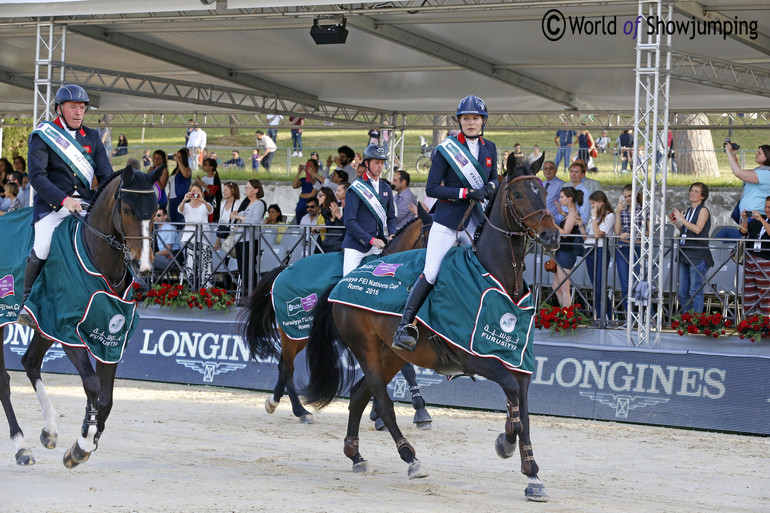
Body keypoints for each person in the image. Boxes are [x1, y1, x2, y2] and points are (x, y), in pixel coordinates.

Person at [393, 95, 498, 351]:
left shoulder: (490, 148)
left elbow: (494, 179)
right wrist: (466, 193)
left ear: (482, 121)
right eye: (466, 118)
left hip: (475, 220)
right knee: (431, 271)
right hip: (448, 220)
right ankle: (405, 326)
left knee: (483, 272)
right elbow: (432, 188)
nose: (471, 123)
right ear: (459, 120)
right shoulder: (445, 149)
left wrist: (490, 187)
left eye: (475, 118)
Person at [19, 84, 113, 323]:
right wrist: (63, 199)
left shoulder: (92, 137)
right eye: (73, 107)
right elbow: (37, 176)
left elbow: (105, 175)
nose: (79, 112)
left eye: (82, 108)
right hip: (53, 205)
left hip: (86, 203)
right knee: (43, 244)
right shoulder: (43, 135)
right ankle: (27, 304)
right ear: (60, 109)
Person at [341, 144, 397, 276]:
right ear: (366, 163)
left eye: (382, 163)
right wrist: (371, 240)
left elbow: (391, 216)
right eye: (377, 163)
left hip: (379, 244)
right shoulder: (356, 188)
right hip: (356, 245)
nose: (380, 167)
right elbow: (349, 222)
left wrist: (392, 234)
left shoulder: (386, 188)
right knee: (348, 281)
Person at [670, 183, 713, 314]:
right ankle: (686, 320)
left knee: (695, 290)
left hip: (698, 255)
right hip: (685, 253)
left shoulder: (703, 210)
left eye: (696, 191)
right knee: (682, 291)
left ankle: (697, 321)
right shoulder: (689, 210)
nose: (692, 193)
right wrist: (677, 223)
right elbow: (687, 231)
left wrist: (682, 219)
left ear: (703, 196)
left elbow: (698, 229)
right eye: (691, 190)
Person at [578, 191, 615, 321]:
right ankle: (600, 315)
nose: (592, 206)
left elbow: (598, 234)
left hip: (600, 250)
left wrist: (594, 218)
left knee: (600, 285)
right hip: (589, 250)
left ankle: (605, 316)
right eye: (591, 204)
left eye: (594, 204)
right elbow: (586, 237)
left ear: (601, 202)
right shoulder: (595, 215)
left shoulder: (609, 216)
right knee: (595, 286)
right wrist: (581, 225)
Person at [613, 185, 647, 314]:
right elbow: (617, 232)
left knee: (642, 283)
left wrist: (633, 234)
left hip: (638, 247)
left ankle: (646, 315)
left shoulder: (644, 209)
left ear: (636, 195)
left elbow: (649, 232)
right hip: (623, 247)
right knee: (625, 284)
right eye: (625, 196)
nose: (627, 199)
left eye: (630, 196)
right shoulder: (623, 211)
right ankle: (629, 316)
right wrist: (618, 213)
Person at [725, 142, 770, 230]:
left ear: (767, 156)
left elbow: (738, 173)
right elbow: (741, 172)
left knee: (726, 232)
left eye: (759, 153)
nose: (756, 154)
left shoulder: (766, 174)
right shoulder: (760, 172)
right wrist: (733, 156)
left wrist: (728, 153)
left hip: (755, 217)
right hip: (748, 216)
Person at [178, 181, 214, 288]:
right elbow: (180, 210)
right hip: (190, 239)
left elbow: (211, 211)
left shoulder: (205, 205)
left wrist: (203, 201)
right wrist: (184, 200)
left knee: (205, 265)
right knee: (190, 265)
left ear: (202, 193)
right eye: (193, 191)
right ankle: (192, 289)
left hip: (204, 239)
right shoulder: (186, 205)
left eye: (197, 191)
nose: (195, 193)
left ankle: (206, 289)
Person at [230, 180, 266, 290]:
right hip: (240, 239)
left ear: (256, 190)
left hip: (249, 239)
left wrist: (240, 217)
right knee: (242, 269)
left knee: (248, 268)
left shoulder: (259, 204)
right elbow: (235, 220)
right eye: (246, 188)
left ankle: (251, 292)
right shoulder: (246, 204)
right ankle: (245, 292)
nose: (246, 190)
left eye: (248, 188)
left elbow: (255, 221)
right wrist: (235, 216)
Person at [552, 187, 583, 307]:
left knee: (564, 287)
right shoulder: (569, 213)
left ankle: (567, 313)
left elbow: (565, 233)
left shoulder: (573, 214)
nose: (560, 199)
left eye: (562, 197)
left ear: (569, 199)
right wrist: (560, 212)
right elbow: (566, 218)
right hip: (562, 252)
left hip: (566, 252)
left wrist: (553, 224)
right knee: (556, 286)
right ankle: (562, 312)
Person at [741, 196, 770, 317]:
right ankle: (750, 322)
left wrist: (762, 220)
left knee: (765, 294)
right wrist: (744, 220)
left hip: (765, 261)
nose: (767, 210)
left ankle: (765, 323)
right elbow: (743, 231)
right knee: (749, 293)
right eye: (766, 207)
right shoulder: (760, 221)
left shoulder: (763, 221)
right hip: (751, 260)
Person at [213, 181, 242, 257]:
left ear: (232, 191)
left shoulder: (238, 203)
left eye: (226, 190)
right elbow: (220, 220)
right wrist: (218, 239)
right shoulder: (223, 203)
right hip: (224, 234)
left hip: (233, 236)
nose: (223, 192)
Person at [167, 147, 193, 224]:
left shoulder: (187, 169)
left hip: (181, 197)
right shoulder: (175, 170)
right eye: (176, 156)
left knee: (180, 221)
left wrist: (178, 161)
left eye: (179, 157)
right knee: (173, 221)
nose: (177, 158)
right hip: (172, 198)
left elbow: (185, 174)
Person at [153, 208, 181, 273]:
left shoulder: (169, 228)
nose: (156, 217)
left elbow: (167, 251)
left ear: (165, 217)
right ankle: (139, 281)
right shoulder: (159, 230)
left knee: (146, 258)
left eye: (159, 215)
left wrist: (153, 255)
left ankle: (141, 282)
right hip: (163, 258)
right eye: (155, 215)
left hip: (172, 260)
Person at [317, 187, 343, 253]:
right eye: (318, 195)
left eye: (320, 195)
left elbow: (332, 222)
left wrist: (314, 227)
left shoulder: (332, 209)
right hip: (322, 240)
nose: (318, 198)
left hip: (331, 241)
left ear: (327, 196)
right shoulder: (321, 210)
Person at [200, 157, 222, 223]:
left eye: (205, 164)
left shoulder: (215, 179)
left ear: (211, 167)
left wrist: (203, 184)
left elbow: (213, 194)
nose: (203, 166)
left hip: (212, 205)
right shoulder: (204, 177)